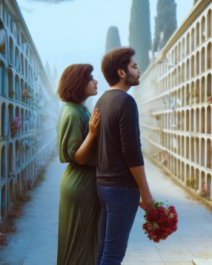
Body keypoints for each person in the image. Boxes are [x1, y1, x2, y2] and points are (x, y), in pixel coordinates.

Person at [95, 47, 154, 264]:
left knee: (104, 249)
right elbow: (131, 150)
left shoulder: (102, 101)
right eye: (134, 66)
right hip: (122, 188)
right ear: (122, 73)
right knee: (114, 253)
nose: (139, 70)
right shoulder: (126, 102)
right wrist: (145, 192)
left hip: (103, 185)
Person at [57, 64, 101, 265]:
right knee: (80, 242)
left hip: (82, 182)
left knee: (83, 241)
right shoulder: (73, 113)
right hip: (80, 182)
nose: (95, 81)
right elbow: (79, 157)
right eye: (90, 78)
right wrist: (92, 134)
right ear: (78, 83)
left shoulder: (79, 108)